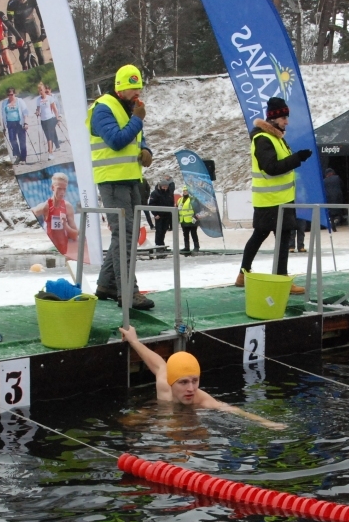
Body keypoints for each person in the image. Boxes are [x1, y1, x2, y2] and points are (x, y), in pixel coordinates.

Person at [117, 325, 286, 429]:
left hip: (187, 417)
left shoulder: (202, 400)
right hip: (160, 409)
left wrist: (266, 422)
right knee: (128, 422)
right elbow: (158, 363)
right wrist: (134, 341)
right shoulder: (164, 384)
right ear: (171, 382)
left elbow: (234, 410)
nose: (191, 388)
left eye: (195, 380)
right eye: (183, 382)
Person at [88, 64, 154, 310]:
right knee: (125, 236)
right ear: (120, 89)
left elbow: (136, 137)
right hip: (112, 180)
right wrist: (137, 119)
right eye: (132, 90)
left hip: (129, 179)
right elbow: (116, 140)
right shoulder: (102, 108)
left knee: (127, 234)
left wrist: (146, 149)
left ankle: (106, 285)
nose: (136, 95)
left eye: (138, 89)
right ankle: (128, 292)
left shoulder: (128, 109)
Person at [234, 96, 312, 294]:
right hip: (272, 200)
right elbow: (271, 168)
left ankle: (244, 274)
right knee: (276, 237)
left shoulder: (275, 138)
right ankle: (279, 279)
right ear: (273, 118)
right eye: (284, 118)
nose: (287, 121)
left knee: (265, 235)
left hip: (278, 199)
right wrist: (297, 159)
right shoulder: (263, 139)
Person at [32, 172, 80, 258]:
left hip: (65, 247)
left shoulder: (68, 207)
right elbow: (33, 211)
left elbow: (74, 235)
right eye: (59, 189)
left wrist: (65, 225)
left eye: (64, 189)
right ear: (52, 188)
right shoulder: (45, 206)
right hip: (50, 249)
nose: (62, 192)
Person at [6, 0, 46, 66]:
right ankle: (25, 69)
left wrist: (43, 31)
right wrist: (10, 40)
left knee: (40, 53)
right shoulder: (11, 3)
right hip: (19, 28)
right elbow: (10, 23)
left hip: (32, 26)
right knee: (23, 55)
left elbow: (41, 16)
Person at [2, 88, 29, 164]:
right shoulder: (4, 103)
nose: (10, 96)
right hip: (10, 124)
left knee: (22, 141)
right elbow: (3, 115)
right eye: (8, 95)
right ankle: (18, 155)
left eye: (11, 94)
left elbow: (25, 113)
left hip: (19, 123)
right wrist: (3, 127)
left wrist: (26, 123)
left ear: (14, 94)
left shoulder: (20, 101)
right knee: (12, 140)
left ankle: (23, 158)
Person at [35, 82, 60, 161]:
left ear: (44, 89)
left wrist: (58, 118)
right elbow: (38, 109)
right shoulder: (38, 100)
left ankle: (50, 153)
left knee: (49, 137)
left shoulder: (50, 98)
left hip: (50, 119)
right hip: (43, 120)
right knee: (47, 137)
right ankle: (51, 150)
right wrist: (37, 112)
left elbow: (55, 109)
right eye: (39, 91)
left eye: (41, 90)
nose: (40, 92)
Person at [148, 180, 174, 247]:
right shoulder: (155, 193)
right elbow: (151, 204)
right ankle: (158, 245)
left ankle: (161, 244)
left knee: (164, 230)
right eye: (164, 187)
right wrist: (155, 214)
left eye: (166, 187)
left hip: (167, 215)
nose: (165, 188)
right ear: (160, 186)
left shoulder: (169, 193)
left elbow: (171, 203)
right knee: (159, 231)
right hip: (159, 215)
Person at [177, 187, 199, 253]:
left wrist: (196, 217)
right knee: (185, 234)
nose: (185, 192)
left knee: (193, 234)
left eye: (186, 191)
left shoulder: (192, 199)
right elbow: (178, 209)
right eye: (184, 191)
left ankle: (196, 247)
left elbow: (197, 209)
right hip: (183, 220)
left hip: (192, 220)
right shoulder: (180, 200)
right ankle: (187, 247)